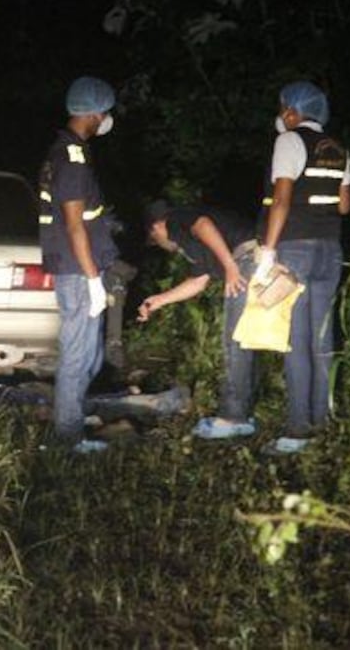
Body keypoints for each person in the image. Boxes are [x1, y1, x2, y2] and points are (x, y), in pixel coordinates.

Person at [252, 81, 350, 455]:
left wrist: (269, 250)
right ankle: (323, 423)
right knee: (322, 340)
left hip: (296, 249)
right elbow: (343, 205)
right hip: (331, 248)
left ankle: (297, 429)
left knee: (295, 340)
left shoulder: (289, 141)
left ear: (293, 111)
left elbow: (281, 199)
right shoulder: (339, 148)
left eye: (283, 108)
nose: (281, 115)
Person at [38, 76, 121, 454]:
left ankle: (73, 415)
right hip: (78, 272)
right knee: (77, 354)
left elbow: (83, 218)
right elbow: (74, 224)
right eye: (104, 112)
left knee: (89, 353)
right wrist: (92, 280)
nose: (106, 119)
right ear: (93, 114)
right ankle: (67, 438)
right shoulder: (71, 157)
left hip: (79, 267)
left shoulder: (69, 152)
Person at [138, 201, 259, 439]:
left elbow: (203, 224)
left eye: (156, 241)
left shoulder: (176, 220)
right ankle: (243, 414)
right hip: (248, 258)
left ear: (156, 227)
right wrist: (160, 300)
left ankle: (233, 417)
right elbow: (199, 281)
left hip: (245, 258)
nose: (163, 246)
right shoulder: (192, 244)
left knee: (233, 341)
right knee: (245, 339)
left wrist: (230, 266)